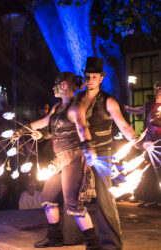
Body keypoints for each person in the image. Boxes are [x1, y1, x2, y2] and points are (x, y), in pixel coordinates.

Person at [15, 72, 101, 249]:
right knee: (47, 196)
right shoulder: (57, 107)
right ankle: (54, 236)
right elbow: (46, 123)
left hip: (73, 158)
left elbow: (82, 129)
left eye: (55, 84)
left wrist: (89, 148)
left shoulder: (75, 108)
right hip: (59, 160)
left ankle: (94, 244)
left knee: (72, 203)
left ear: (63, 85)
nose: (52, 87)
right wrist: (24, 131)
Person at [75, 57, 153, 250]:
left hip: (102, 155)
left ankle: (111, 245)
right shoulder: (77, 100)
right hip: (80, 153)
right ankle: (81, 239)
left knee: (105, 200)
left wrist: (139, 143)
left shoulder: (108, 101)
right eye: (88, 76)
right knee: (73, 197)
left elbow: (124, 126)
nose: (91, 79)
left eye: (95, 76)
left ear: (101, 78)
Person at [124, 81, 161, 206]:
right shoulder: (150, 104)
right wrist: (126, 109)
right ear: (155, 89)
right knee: (149, 170)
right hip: (149, 142)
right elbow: (138, 110)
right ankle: (152, 198)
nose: (160, 90)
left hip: (159, 143)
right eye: (158, 88)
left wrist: (157, 122)